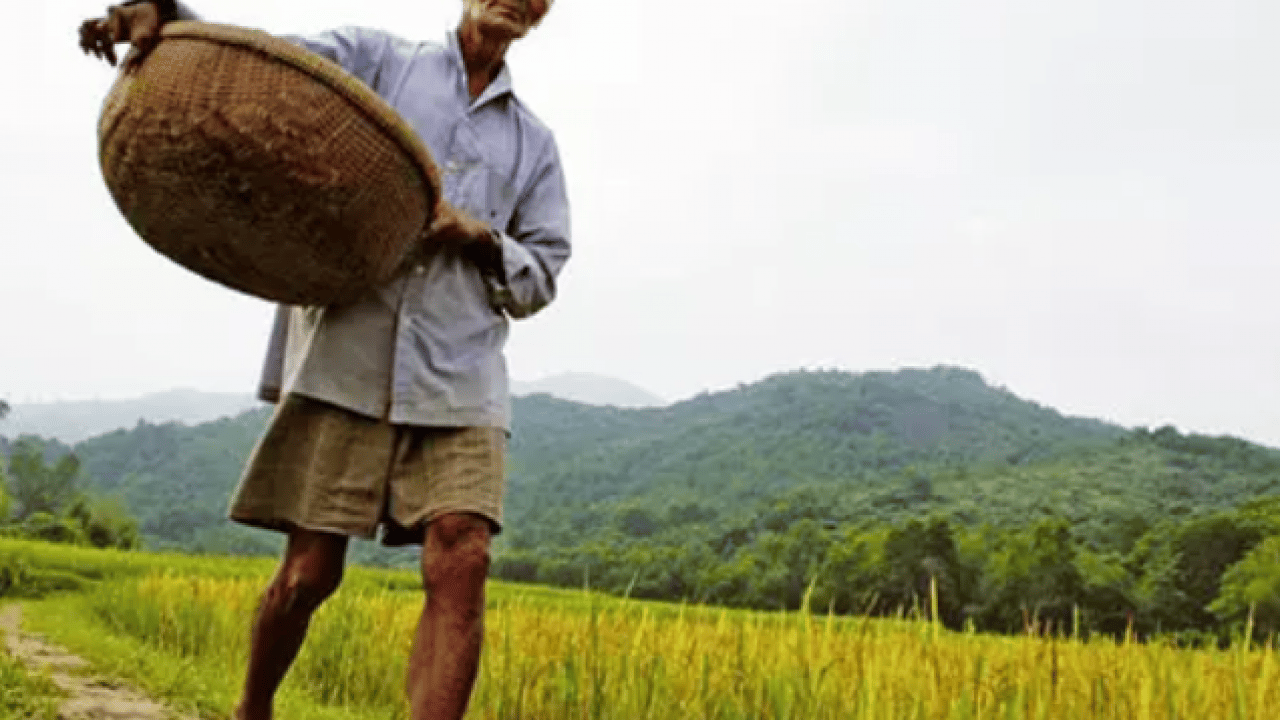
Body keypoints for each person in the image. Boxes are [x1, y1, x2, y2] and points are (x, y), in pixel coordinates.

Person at [78, 1, 571, 719]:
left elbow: (543, 274)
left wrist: (478, 235)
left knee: (462, 553)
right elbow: (259, 70)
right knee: (310, 573)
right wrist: (170, 11)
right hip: (347, 355)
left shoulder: (533, 143)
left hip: (461, 372)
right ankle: (253, 708)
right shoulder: (379, 60)